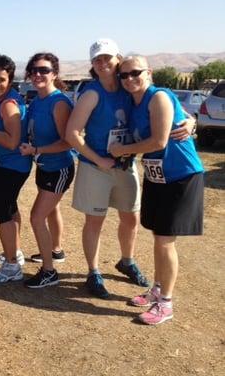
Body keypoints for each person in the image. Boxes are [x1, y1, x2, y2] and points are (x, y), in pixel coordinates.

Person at [66, 38, 193, 299]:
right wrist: (98, 159)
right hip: (97, 166)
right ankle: (93, 272)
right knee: (95, 221)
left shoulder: (130, 87)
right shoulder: (92, 94)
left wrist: (191, 122)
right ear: (92, 64)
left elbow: (169, 107)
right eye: (97, 60)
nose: (103, 64)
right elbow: (72, 133)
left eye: (107, 58)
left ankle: (127, 260)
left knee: (130, 217)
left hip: (125, 164)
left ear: (117, 59)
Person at [110, 55, 204, 325]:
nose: (129, 79)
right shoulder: (133, 102)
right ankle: (157, 289)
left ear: (148, 72)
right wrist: (192, 120)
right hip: (157, 177)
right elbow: (185, 116)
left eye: (135, 73)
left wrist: (122, 150)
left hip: (182, 176)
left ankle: (166, 303)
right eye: (124, 75)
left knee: (165, 241)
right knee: (158, 238)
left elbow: (159, 140)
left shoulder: (158, 96)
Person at [19, 52, 75, 288]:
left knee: (37, 216)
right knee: (52, 210)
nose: (38, 74)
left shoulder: (59, 102)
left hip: (59, 168)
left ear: (55, 73)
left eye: (44, 70)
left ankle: (49, 271)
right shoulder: (37, 100)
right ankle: (56, 250)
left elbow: (68, 142)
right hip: (44, 166)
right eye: (34, 70)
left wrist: (36, 150)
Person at [0, 55, 32, 283]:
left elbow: (12, 141)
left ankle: (11, 264)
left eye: (2, 79)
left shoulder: (9, 104)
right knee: (10, 208)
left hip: (13, 165)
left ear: (10, 80)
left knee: (2, 210)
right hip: (4, 163)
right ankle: (15, 252)